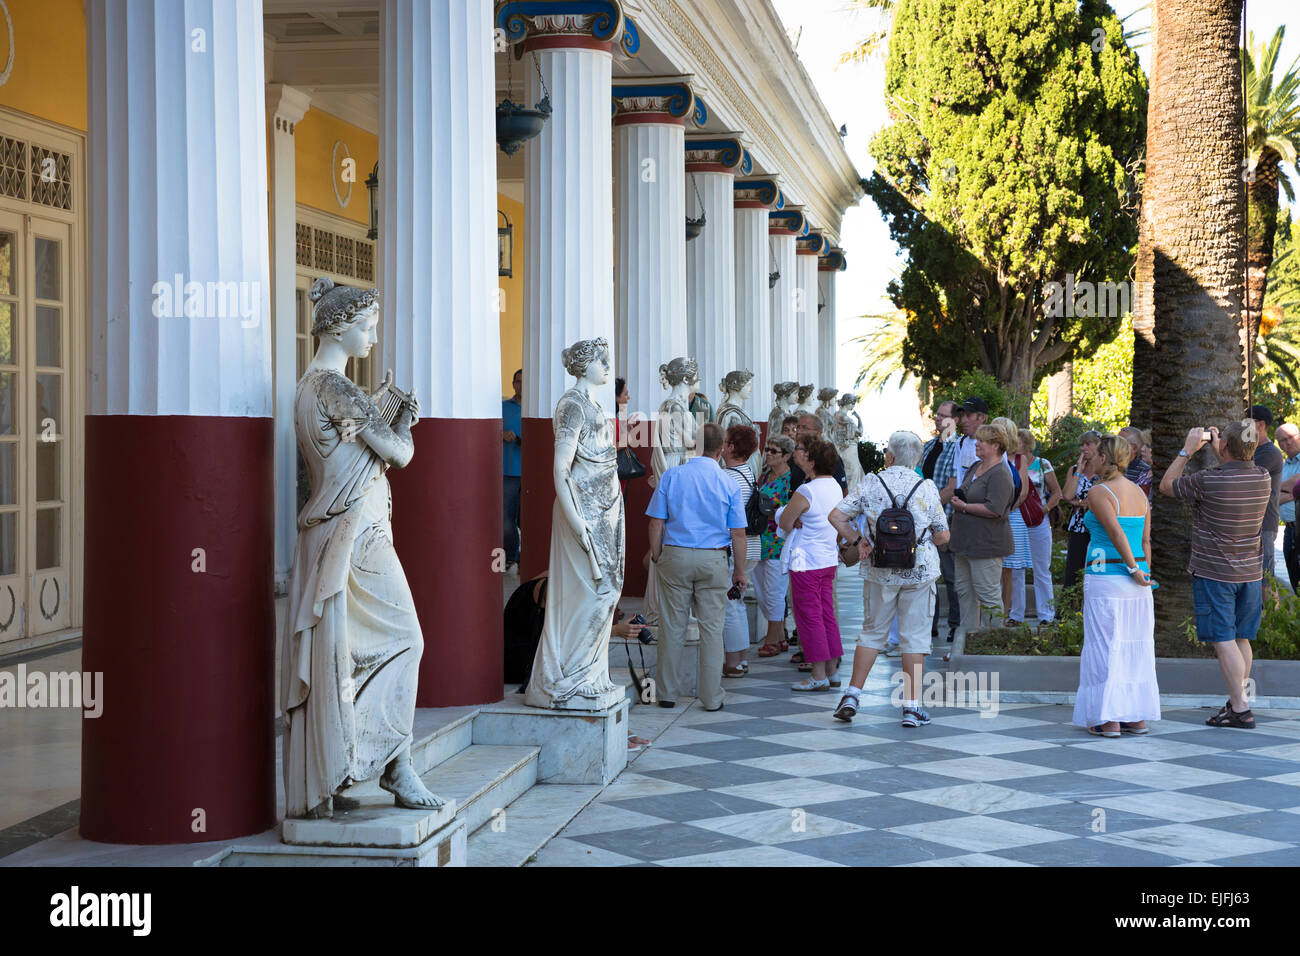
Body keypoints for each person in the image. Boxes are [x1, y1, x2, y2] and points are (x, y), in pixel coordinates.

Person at [282, 278, 441, 818]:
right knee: (408, 640)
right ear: (340, 327)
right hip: (356, 534)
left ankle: (345, 763)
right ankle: (392, 760)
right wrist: (404, 422)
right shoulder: (336, 388)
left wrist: (386, 416)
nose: (373, 336)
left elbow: (356, 448)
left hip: (340, 532)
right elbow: (398, 453)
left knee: (344, 652)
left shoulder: (311, 387)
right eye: (368, 326)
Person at [828, 431, 949, 726]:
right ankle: (911, 706)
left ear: (890, 456)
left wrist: (859, 542)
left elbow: (836, 516)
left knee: (871, 632)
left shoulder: (871, 483)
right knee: (914, 637)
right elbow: (943, 535)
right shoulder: (926, 487)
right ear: (917, 458)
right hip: (918, 572)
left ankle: (852, 695)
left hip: (879, 569)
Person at [1158, 422, 1271, 729]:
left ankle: (1239, 707)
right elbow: (1237, 464)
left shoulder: (1208, 480)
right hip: (1249, 573)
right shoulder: (1263, 477)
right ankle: (1239, 701)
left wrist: (1187, 449)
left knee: (1223, 640)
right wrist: (1221, 448)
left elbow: (1167, 486)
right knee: (1241, 638)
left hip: (1215, 573)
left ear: (1224, 448)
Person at [646, 422, 747, 712]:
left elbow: (656, 521)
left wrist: (656, 555)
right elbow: (738, 534)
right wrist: (739, 571)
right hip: (713, 558)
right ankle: (711, 697)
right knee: (712, 630)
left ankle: (666, 693)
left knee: (671, 627)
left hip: (675, 555)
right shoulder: (729, 482)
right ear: (723, 448)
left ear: (694, 444)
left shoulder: (672, 476)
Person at [1073, 436, 1159, 737]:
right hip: (1139, 583)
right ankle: (1135, 717)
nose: (1089, 457)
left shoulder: (1100, 492)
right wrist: (1142, 571)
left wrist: (1134, 569)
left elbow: (1114, 531)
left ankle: (1107, 719)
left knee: (1104, 647)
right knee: (1134, 648)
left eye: (1094, 454)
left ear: (1105, 459)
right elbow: (1144, 540)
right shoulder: (1139, 492)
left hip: (1106, 577)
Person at [777, 437, 844, 690]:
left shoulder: (807, 490)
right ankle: (832, 671)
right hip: (827, 559)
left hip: (806, 561)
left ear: (812, 461)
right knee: (827, 616)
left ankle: (818, 675)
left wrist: (788, 517)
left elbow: (784, 522)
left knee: (809, 618)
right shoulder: (835, 486)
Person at [948, 424, 1016, 643]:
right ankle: (968, 642)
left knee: (988, 596)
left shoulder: (1001, 473)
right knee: (965, 594)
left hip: (986, 545)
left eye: (982, 441)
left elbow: (995, 509)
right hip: (965, 543)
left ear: (996, 445)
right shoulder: (975, 466)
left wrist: (964, 507)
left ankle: (996, 642)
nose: (976, 443)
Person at [721, 424, 763, 677]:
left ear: (732, 447)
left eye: (726, 441)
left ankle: (734, 662)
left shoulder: (728, 477)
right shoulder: (748, 472)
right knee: (736, 603)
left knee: (729, 604)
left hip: (735, 549)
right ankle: (742, 658)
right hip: (752, 546)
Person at [1006, 427, 1060, 625]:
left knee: (1041, 568)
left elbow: (1057, 493)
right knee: (1016, 569)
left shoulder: (1043, 464)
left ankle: (1046, 615)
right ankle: (1015, 615)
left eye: (1017, 441)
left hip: (1038, 522)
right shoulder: (1009, 463)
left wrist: (1043, 510)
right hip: (1015, 520)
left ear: (1027, 444)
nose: (1013, 445)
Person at [754, 434, 796, 657]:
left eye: (774, 451)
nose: (768, 454)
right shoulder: (764, 477)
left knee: (774, 593)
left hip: (778, 542)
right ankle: (780, 636)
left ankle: (772, 638)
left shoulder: (790, 481)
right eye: (767, 450)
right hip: (760, 540)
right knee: (762, 593)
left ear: (786, 456)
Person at [991, 416, 1032, 618]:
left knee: (1008, 571)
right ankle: (989, 616)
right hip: (991, 518)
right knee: (991, 570)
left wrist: (1003, 511)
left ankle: (1005, 615)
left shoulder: (1018, 459)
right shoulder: (987, 458)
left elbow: (1022, 493)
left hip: (1012, 518)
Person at [1061, 430, 1102, 589]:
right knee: (1074, 569)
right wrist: (1079, 469)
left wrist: (1079, 502)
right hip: (1078, 525)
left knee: (1097, 567)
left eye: (1088, 444)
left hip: (1099, 525)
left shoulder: (1105, 469)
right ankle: (1070, 610)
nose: (1083, 448)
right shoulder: (1074, 469)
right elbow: (1067, 495)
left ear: (1098, 445)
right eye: (1082, 445)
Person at [1250, 404, 1284, 582]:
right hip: (1252, 523)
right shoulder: (1252, 450)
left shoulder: (1270, 453)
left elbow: (1245, 477)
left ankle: (1271, 611)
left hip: (1265, 524)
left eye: (1246, 422)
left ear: (1260, 425)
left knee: (1266, 580)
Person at [788, 414, 847, 494]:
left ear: (818, 432)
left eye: (804, 427)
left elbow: (843, 491)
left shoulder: (828, 457)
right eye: (797, 427)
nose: (798, 431)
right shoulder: (794, 457)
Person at [502, 368, 523, 572]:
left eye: (525, 382)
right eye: (517, 381)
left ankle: (526, 555)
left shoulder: (536, 407)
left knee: (526, 518)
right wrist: (502, 434)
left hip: (530, 472)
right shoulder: (503, 407)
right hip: (507, 471)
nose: (521, 385)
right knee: (507, 519)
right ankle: (511, 556)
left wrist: (518, 439)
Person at [1278, 422, 1300, 592]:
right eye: (1281, 441)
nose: (1286, 443)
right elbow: (1272, 496)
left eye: (1290, 438)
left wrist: (1282, 491)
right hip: (1289, 530)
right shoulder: (1284, 466)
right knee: (1294, 580)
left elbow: (1292, 485)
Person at [1119, 426, 1152, 501]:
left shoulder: (1145, 470)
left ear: (1134, 448)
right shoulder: (1144, 473)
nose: (1142, 449)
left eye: (1148, 445)